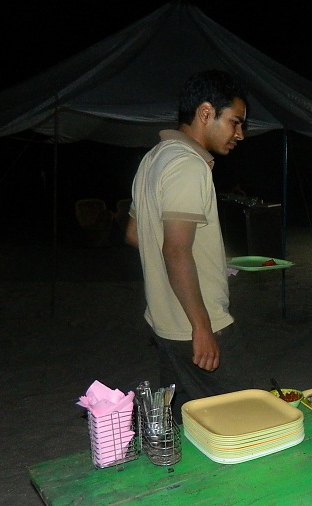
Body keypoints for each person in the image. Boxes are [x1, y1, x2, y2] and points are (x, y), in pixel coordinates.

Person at [125, 69, 249, 422]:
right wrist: (202, 327)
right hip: (199, 324)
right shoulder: (188, 165)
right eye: (235, 122)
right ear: (206, 112)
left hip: (164, 322)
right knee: (242, 419)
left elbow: (136, 235)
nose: (240, 134)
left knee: (186, 425)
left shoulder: (153, 159)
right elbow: (176, 249)